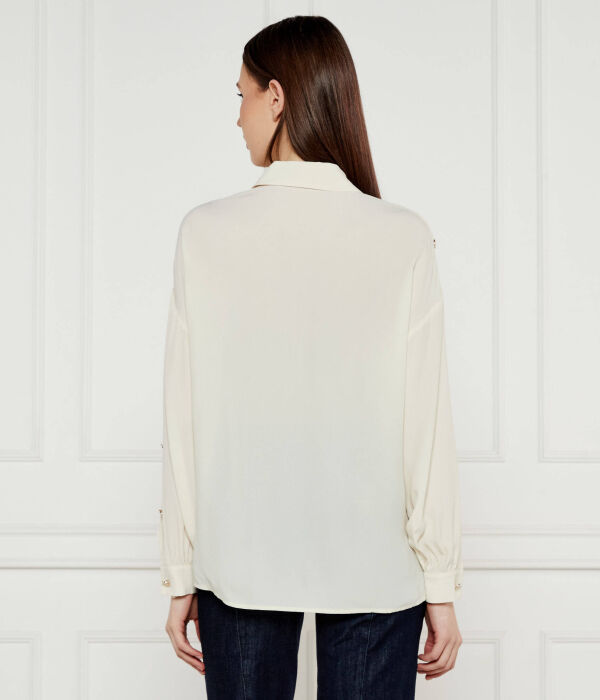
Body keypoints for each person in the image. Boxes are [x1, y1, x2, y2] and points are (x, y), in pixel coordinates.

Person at [158, 14, 464, 699]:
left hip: (238, 563)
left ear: (276, 96)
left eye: (241, 96)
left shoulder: (205, 234)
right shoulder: (402, 236)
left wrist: (180, 571)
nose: (237, 117)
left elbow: (183, 421)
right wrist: (440, 583)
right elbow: (426, 430)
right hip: (378, 569)